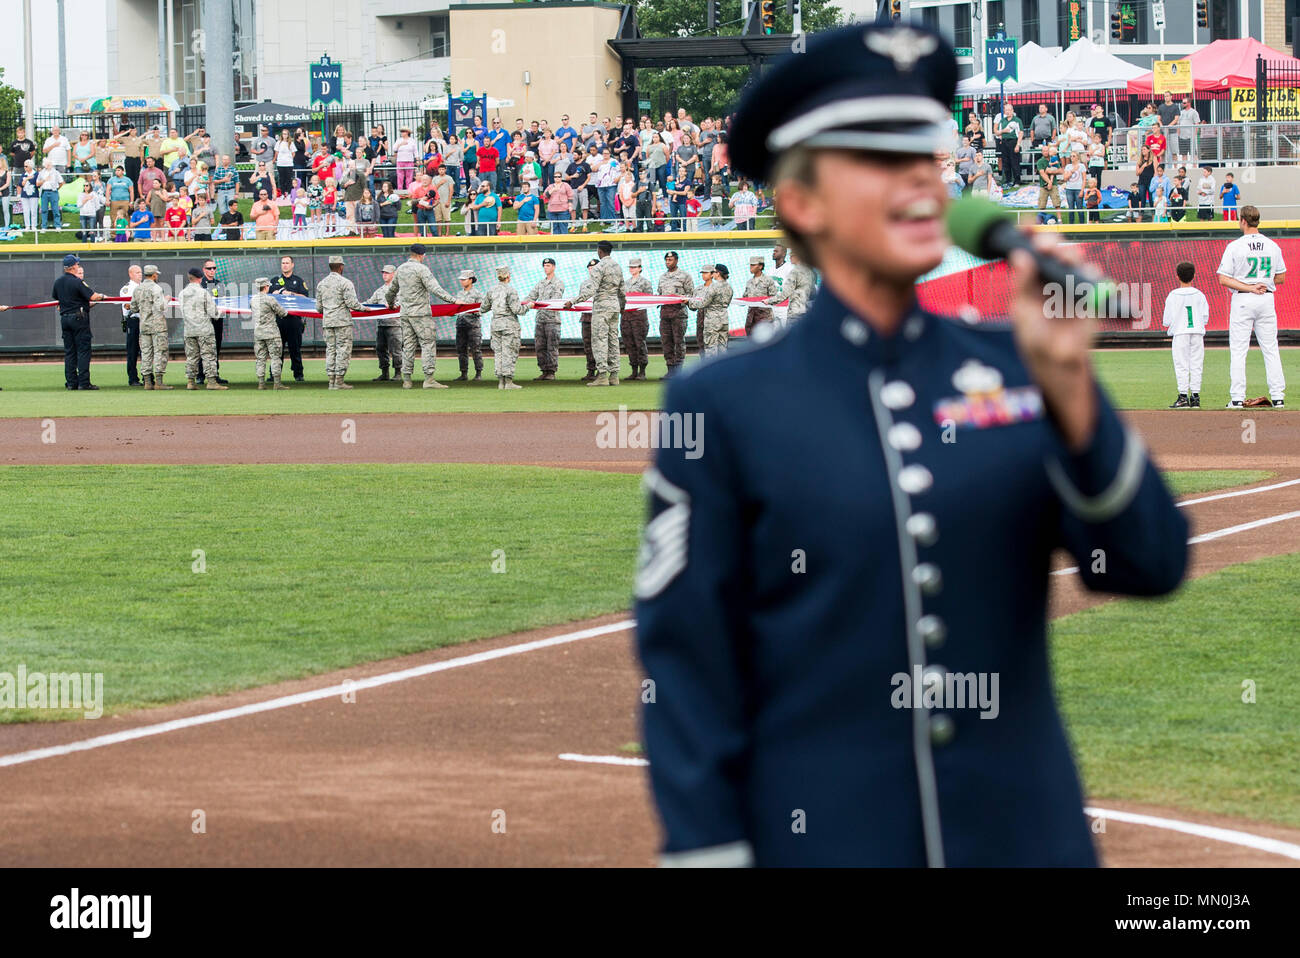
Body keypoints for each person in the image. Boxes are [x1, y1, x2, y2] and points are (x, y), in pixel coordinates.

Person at [636, 22, 1188, 868]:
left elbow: (1148, 564)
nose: (923, 181)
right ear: (800, 202)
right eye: (880, 158)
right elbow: (686, 662)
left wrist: (1070, 385)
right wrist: (709, 854)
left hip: (1025, 841)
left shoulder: (1021, 366)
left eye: (928, 154)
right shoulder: (721, 403)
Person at [1217, 205, 1287, 408]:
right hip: (1266, 297)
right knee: (1271, 348)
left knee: (1239, 350)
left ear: (1243, 221)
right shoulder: (1272, 245)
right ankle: (1278, 396)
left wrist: (1249, 286)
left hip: (1244, 298)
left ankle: (1237, 398)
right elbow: (1281, 277)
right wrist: (1263, 282)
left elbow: (1223, 279)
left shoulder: (1235, 246)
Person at [385, 242, 458, 389]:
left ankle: (407, 380)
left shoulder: (400, 269)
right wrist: (454, 301)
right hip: (421, 314)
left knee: (408, 346)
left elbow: (391, 291)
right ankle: (429, 379)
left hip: (405, 314)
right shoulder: (422, 269)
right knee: (427, 344)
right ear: (421, 255)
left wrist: (391, 304)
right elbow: (435, 288)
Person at [572, 239, 625, 387]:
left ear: (600, 251)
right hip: (614, 306)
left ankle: (602, 375)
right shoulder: (617, 267)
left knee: (600, 341)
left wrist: (574, 301)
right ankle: (614, 375)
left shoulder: (599, 267)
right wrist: (622, 306)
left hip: (602, 307)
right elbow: (622, 290)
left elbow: (591, 289)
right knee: (613, 340)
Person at [53, 254, 106, 390]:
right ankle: (84, 382)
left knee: (70, 351)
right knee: (83, 350)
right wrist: (102, 296)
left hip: (65, 318)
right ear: (73, 267)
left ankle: (71, 382)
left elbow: (57, 300)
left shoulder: (58, 282)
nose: (78, 266)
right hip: (79, 318)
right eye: (77, 264)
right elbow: (93, 296)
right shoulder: (77, 281)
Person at [1162, 261, 1209, 409]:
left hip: (1180, 332)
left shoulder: (1173, 295)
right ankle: (1195, 397)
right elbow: (1205, 317)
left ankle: (1183, 397)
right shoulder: (1200, 295)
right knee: (1196, 364)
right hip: (1197, 332)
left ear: (1177, 276)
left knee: (1181, 365)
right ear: (1194, 275)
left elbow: (1166, 320)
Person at [316, 255, 365, 390]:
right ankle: (339, 381)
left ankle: (331, 381)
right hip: (342, 322)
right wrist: (365, 309)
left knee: (330, 350)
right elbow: (352, 304)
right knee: (343, 350)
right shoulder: (345, 283)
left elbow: (318, 308)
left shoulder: (321, 284)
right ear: (341, 267)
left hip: (328, 322)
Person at [482, 265, 530, 390]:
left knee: (498, 353)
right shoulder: (511, 290)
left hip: (495, 325)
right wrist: (529, 305)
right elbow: (517, 309)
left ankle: (500, 382)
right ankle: (508, 382)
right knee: (509, 352)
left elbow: (483, 308)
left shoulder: (491, 290)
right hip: (509, 325)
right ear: (508, 276)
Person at [179, 268, 227, 391]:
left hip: (189, 330)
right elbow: (214, 312)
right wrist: (221, 311)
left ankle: (190, 381)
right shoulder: (203, 293)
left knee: (191, 357)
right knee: (208, 356)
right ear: (200, 278)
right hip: (204, 329)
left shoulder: (182, 293)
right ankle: (211, 382)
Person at [522, 258, 563, 381]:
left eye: (549, 265)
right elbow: (531, 296)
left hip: (552, 320)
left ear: (554, 267)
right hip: (540, 320)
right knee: (540, 347)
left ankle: (551, 371)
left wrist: (537, 303)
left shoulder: (558, 283)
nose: (546, 268)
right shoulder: (541, 283)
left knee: (552, 346)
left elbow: (556, 299)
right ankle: (544, 370)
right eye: (545, 266)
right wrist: (523, 303)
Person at [130, 264, 171, 389]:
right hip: (157, 325)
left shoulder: (138, 289)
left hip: (144, 325)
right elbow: (161, 307)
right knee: (160, 352)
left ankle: (147, 382)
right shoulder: (156, 288)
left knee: (146, 353)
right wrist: (167, 299)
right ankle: (158, 382)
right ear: (154, 275)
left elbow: (133, 307)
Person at [270, 256, 309, 381]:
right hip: (279, 320)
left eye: (287, 263)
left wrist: (291, 294)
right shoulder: (274, 281)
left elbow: (305, 297)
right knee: (276, 350)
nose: (285, 265)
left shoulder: (298, 281)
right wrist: (273, 294)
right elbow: (266, 297)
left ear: (292, 265)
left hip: (294, 320)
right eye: (283, 263)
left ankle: (298, 374)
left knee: (295, 349)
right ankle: (274, 375)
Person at [656, 250, 693, 378]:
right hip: (665, 314)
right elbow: (659, 294)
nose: (668, 262)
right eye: (666, 260)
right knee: (666, 342)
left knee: (678, 342)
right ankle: (670, 369)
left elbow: (691, 295)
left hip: (678, 313)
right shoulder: (662, 277)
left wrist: (681, 298)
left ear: (676, 260)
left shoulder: (685, 276)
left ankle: (678, 369)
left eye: (670, 260)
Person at [251, 277, 291, 389]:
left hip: (258, 333)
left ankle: (261, 383)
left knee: (260, 358)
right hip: (271, 333)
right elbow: (283, 313)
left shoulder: (253, 300)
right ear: (266, 287)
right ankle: (277, 383)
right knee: (275, 357)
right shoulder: (270, 299)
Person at [686, 262, 732, 355]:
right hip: (724, 319)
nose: (713, 274)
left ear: (718, 273)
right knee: (723, 348)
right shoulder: (729, 287)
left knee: (711, 349)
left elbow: (704, 303)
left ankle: (713, 369)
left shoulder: (713, 286)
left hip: (712, 321)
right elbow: (727, 303)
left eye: (714, 272)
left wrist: (688, 302)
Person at [368, 264, 402, 382]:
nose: (384, 275)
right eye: (383, 273)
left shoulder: (399, 289)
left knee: (396, 349)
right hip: (382, 324)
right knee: (380, 348)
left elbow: (401, 302)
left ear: (394, 274)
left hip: (394, 324)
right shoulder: (379, 291)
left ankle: (398, 373)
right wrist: (357, 307)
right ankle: (385, 372)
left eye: (387, 273)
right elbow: (369, 303)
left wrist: (393, 305)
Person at [622, 257, 653, 380]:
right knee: (629, 344)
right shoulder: (625, 283)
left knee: (639, 343)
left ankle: (642, 370)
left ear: (640, 268)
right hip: (626, 317)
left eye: (634, 267)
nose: (632, 269)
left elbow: (649, 298)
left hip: (639, 317)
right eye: (630, 267)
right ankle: (634, 370)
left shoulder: (645, 282)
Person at [452, 270, 485, 381]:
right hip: (461, 324)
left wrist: (468, 307)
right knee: (461, 350)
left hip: (473, 325)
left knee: (475, 349)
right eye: (461, 279)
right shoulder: (459, 294)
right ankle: (463, 373)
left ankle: (478, 373)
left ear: (471, 280)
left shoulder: (478, 294)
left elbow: (481, 310)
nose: (461, 281)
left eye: (464, 279)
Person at [120, 264, 143, 386]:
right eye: (137, 272)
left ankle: (147, 376)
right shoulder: (127, 288)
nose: (140, 275)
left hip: (144, 320)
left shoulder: (143, 287)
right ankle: (133, 378)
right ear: (130, 274)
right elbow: (127, 305)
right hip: (133, 320)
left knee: (146, 350)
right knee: (133, 350)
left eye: (140, 272)